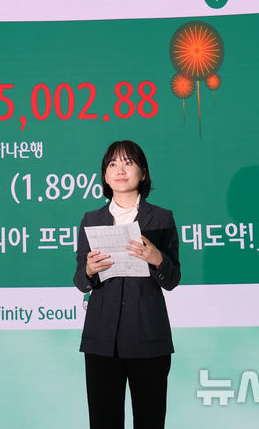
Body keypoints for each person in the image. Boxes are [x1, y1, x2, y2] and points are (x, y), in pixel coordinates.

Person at [73, 140, 181, 429]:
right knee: (103, 421)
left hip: (149, 335)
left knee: (150, 420)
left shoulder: (161, 218)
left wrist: (157, 259)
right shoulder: (91, 219)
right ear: (106, 177)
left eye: (128, 163)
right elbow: (80, 281)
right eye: (113, 164)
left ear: (143, 173)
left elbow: (173, 279)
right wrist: (89, 270)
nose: (120, 170)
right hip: (102, 338)